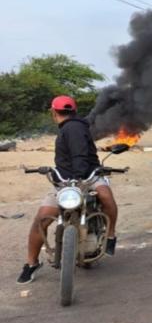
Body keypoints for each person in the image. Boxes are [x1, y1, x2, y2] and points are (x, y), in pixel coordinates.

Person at [18, 96, 119, 284]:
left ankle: (111, 235)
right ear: (72, 111)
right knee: (42, 217)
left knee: (105, 196)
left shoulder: (74, 127)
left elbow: (80, 155)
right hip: (65, 182)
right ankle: (31, 263)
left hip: (89, 177)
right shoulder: (75, 126)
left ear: (53, 112)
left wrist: (80, 176)